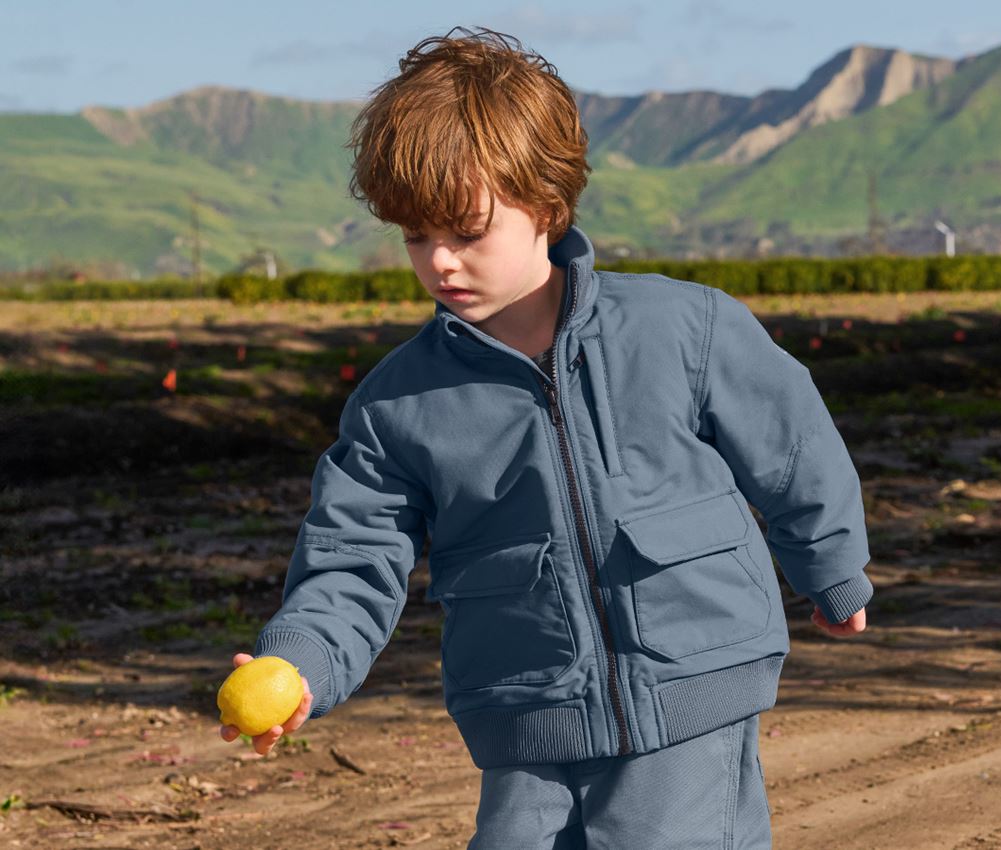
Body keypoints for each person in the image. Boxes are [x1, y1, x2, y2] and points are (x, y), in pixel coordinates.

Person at [219, 26, 873, 848]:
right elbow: (352, 559)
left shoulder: (683, 327)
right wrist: (302, 661)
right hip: (526, 708)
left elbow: (790, 445)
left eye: (465, 229)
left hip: (691, 680)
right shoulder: (397, 406)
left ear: (546, 204)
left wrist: (831, 567)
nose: (440, 263)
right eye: (417, 236)